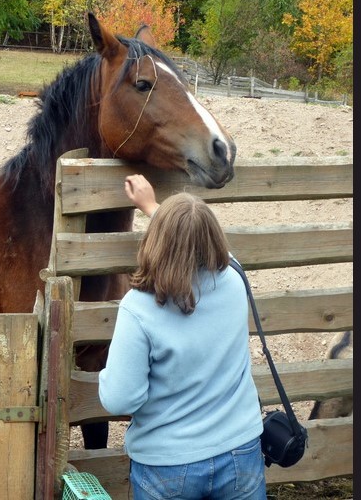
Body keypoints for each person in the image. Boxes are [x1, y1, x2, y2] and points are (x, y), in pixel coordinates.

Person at [98, 174, 266, 500]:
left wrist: (106, 376)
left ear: (154, 241)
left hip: (168, 464)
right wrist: (153, 207)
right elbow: (220, 251)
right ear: (213, 236)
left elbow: (120, 399)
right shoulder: (234, 279)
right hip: (240, 451)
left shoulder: (139, 307)